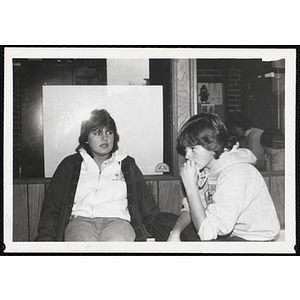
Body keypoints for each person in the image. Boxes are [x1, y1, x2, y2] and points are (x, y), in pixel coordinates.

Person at [35, 109, 159, 242]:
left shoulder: (127, 165)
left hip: (119, 223)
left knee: (115, 242)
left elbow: (148, 208)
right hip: (81, 222)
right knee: (85, 244)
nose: (105, 138)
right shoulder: (70, 165)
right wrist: (45, 241)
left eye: (109, 132)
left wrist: (162, 235)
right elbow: (51, 210)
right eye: (98, 133)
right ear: (86, 138)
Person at [153, 113, 280, 242]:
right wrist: (175, 232)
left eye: (193, 149)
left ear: (213, 146)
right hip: (222, 234)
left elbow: (207, 234)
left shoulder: (236, 173)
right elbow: (190, 208)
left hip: (251, 241)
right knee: (161, 221)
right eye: (185, 149)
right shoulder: (207, 167)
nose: (187, 156)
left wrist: (191, 187)